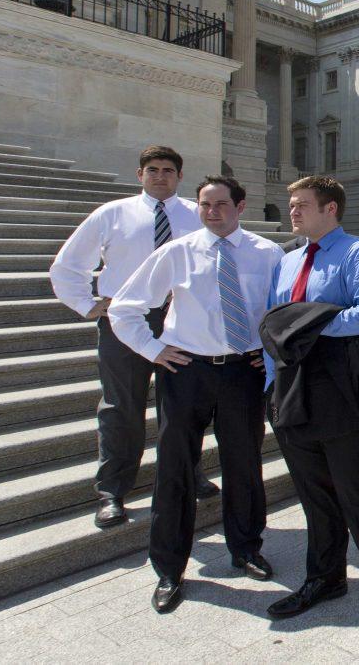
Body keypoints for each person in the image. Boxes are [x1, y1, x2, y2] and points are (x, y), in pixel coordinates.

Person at [107, 177, 283, 613]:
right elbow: (123, 307)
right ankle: (169, 568)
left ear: (240, 206)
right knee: (175, 469)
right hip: (185, 372)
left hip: (242, 373)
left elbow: (281, 310)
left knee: (244, 464)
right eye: (205, 205)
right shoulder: (177, 252)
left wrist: (270, 352)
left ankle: (245, 549)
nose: (211, 212)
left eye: (221, 204)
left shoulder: (268, 253)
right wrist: (152, 350)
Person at [49, 144, 215, 530]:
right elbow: (68, 264)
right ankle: (112, 491)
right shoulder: (112, 214)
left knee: (184, 407)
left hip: (181, 322)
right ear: (140, 175)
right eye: (153, 169)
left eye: (169, 170)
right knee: (121, 406)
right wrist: (87, 305)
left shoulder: (198, 215)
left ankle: (190, 474)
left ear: (179, 177)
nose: (160, 176)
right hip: (125, 321)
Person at [264, 176, 359, 639]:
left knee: (358, 496)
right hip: (292, 390)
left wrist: (310, 323)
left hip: (341, 388)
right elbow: (273, 329)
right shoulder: (287, 261)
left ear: (331, 209)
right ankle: (325, 578)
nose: (293, 212)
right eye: (291, 204)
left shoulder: (358, 254)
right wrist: (270, 386)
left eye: (302, 205)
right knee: (315, 497)